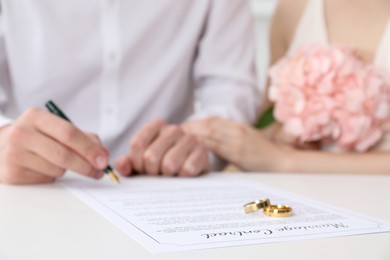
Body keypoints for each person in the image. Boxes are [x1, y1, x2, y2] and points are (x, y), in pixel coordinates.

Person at [0, 1, 261, 184]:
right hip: (32, 186)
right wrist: (4, 138)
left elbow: (232, 87)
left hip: (171, 182)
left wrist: (200, 140)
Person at [184, 0, 390, 174]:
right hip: (305, 198)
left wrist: (284, 161)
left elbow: (274, 158)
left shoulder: (282, 163)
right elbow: (269, 119)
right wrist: (279, 137)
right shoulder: (293, 7)